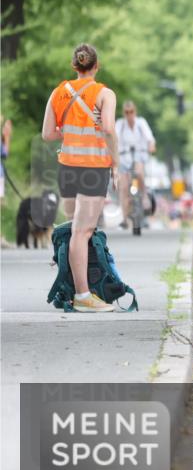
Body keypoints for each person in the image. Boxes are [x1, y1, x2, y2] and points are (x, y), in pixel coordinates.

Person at [40, 44, 118, 312]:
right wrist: (116, 164)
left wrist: (71, 132)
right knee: (82, 232)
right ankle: (83, 295)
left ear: (75, 66)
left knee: (76, 230)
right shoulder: (104, 94)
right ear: (96, 66)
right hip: (93, 167)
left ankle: (74, 286)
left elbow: (48, 134)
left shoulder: (58, 92)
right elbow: (108, 129)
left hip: (68, 168)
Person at [114, 100, 156, 228]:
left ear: (135, 112)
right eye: (126, 112)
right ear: (124, 113)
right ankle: (124, 218)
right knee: (123, 187)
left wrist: (151, 146)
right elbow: (114, 140)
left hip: (139, 155)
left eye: (131, 112)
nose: (129, 115)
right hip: (124, 157)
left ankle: (144, 196)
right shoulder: (120, 124)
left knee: (138, 172)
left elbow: (150, 138)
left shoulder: (141, 123)